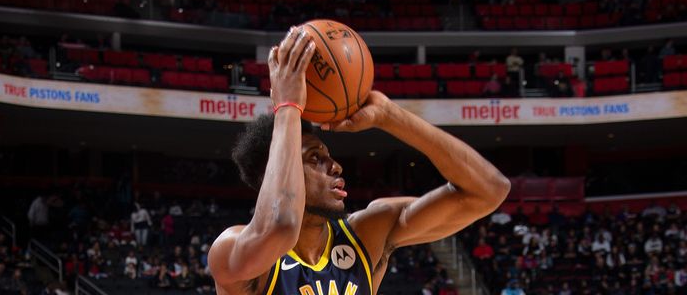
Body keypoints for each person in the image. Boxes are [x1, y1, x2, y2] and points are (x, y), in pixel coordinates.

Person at [208, 26, 510, 295]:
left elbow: (489, 190)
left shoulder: (366, 235)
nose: (336, 166)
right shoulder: (233, 252)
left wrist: (391, 117)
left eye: (329, 155)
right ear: (273, 172)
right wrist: (288, 107)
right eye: (314, 158)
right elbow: (281, 226)